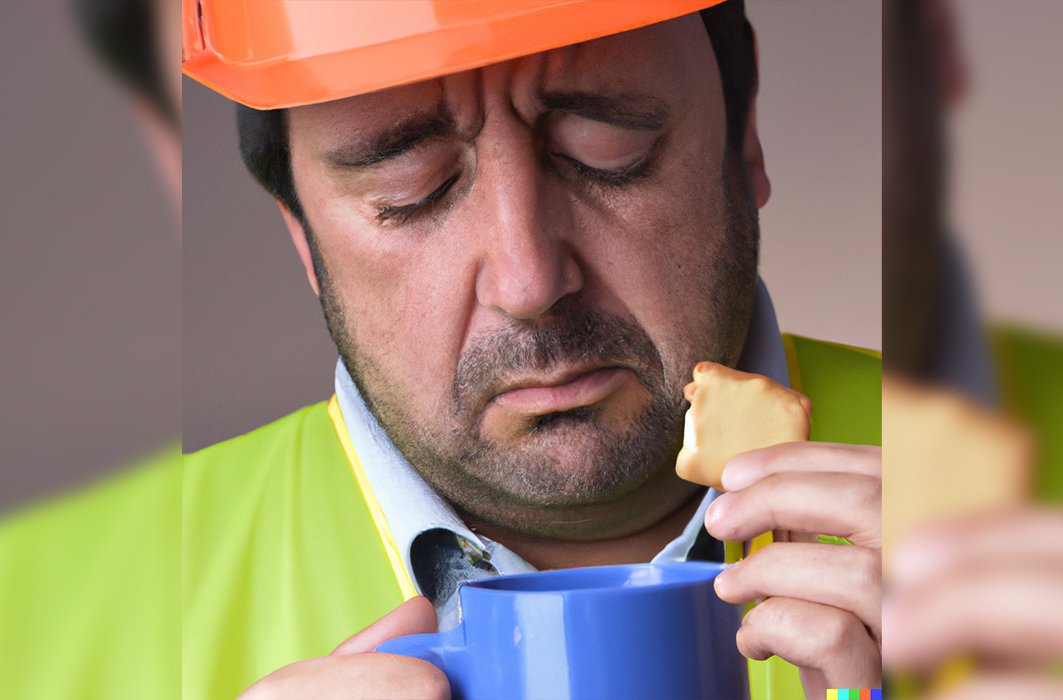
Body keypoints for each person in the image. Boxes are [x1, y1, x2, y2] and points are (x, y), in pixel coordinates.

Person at [182, 1, 882, 698]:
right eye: (412, 190)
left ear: (744, 132)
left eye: (606, 149)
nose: (529, 281)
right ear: (303, 234)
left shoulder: (988, 469)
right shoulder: (92, 602)